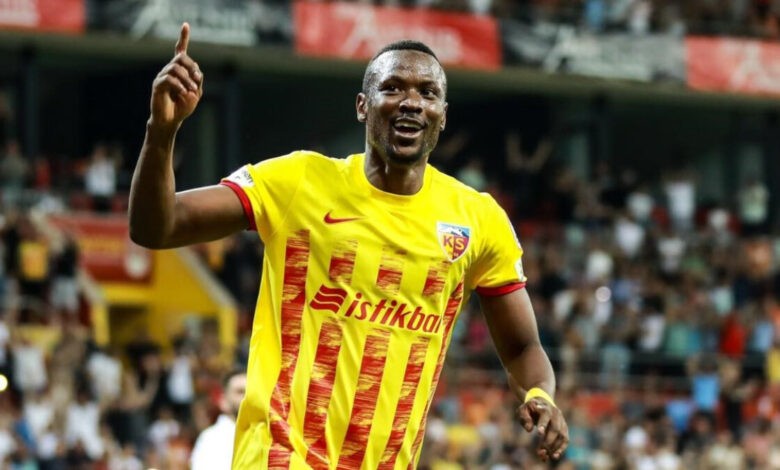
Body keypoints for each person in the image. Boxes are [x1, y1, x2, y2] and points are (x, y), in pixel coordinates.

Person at [129, 23, 569, 468]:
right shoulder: (299, 181)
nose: (411, 102)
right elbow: (158, 227)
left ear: (443, 114)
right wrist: (161, 132)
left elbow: (522, 349)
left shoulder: (478, 220)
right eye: (392, 88)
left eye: (428, 93)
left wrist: (540, 394)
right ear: (362, 106)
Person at [190, 369, 247, 470]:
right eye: (240, 392)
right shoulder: (210, 439)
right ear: (223, 401)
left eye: (249, 392)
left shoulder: (263, 433)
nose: (246, 397)